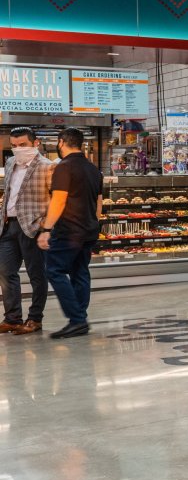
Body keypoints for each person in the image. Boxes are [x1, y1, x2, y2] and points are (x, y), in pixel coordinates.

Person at [37, 128, 102, 339]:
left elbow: (59, 200)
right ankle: (79, 319)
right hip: (89, 230)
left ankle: (77, 319)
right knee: (80, 272)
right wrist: (92, 224)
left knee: (54, 270)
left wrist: (47, 229)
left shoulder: (64, 167)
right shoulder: (93, 169)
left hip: (69, 230)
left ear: (61, 142)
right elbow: (98, 203)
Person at [0, 127, 54, 336]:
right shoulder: (10, 163)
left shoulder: (48, 166)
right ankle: (12, 318)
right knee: (5, 272)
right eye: (14, 146)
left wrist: (45, 226)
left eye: (23, 145)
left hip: (33, 227)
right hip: (8, 226)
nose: (18, 149)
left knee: (37, 275)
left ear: (35, 143)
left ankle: (35, 318)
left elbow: (56, 199)